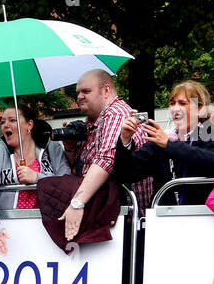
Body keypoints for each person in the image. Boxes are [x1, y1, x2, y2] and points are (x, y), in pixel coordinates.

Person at [0, 105, 72, 260]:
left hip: (50, 230)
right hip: (11, 234)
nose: (6, 125)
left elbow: (67, 183)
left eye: (13, 120)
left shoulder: (51, 148)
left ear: (29, 125)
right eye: (2, 121)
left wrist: (38, 178)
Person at [61, 69, 154, 240]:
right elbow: (80, 167)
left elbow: (106, 161)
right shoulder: (93, 121)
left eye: (86, 91)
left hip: (123, 220)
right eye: (78, 93)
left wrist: (76, 203)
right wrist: (70, 148)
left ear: (106, 90)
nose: (79, 96)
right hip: (107, 214)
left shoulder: (116, 114)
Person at [116, 80, 214, 205]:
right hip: (165, 217)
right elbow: (126, 174)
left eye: (182, 103)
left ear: (200, 109)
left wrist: (169, 145)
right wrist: (125, 139)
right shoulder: (160, 139)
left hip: (202, 216)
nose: (175, 108)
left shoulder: (212, 135)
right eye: (172, 103)